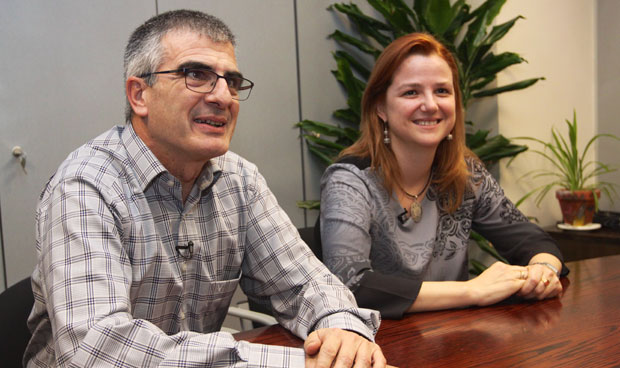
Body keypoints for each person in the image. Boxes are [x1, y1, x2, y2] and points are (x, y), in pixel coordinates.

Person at [24, 9, 389, 367]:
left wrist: (343, 333)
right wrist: (293, 363)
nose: (223, 97)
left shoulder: (238, 179)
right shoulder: (86, 186)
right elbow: (98, 350)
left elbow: (305, 285)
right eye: (196, 74)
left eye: (231, 81)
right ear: (139, 95)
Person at [319, 32, 567, 319]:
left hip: (454, 339)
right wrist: (473, 291)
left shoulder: (466, 174)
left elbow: (532, 241)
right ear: (380, 107)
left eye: (442, 91)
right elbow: (350, 284)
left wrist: (543, 271)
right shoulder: (349, 181)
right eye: (411, 92)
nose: (431, 105)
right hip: (376, 345)